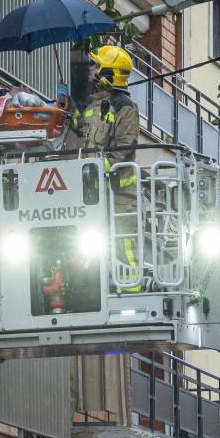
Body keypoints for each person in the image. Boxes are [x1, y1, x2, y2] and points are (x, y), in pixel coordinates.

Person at [77, 44, 143, 291]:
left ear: (108, 72)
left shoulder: (124, 105)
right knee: (91, 241)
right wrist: (66, 107)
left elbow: (126, 145)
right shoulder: (93, 104)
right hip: (94, 190)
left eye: (95, 65)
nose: (90, 69)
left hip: (120, 191)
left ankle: (131, 289)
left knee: (124, 241)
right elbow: (80, 129)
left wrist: (102, 166)